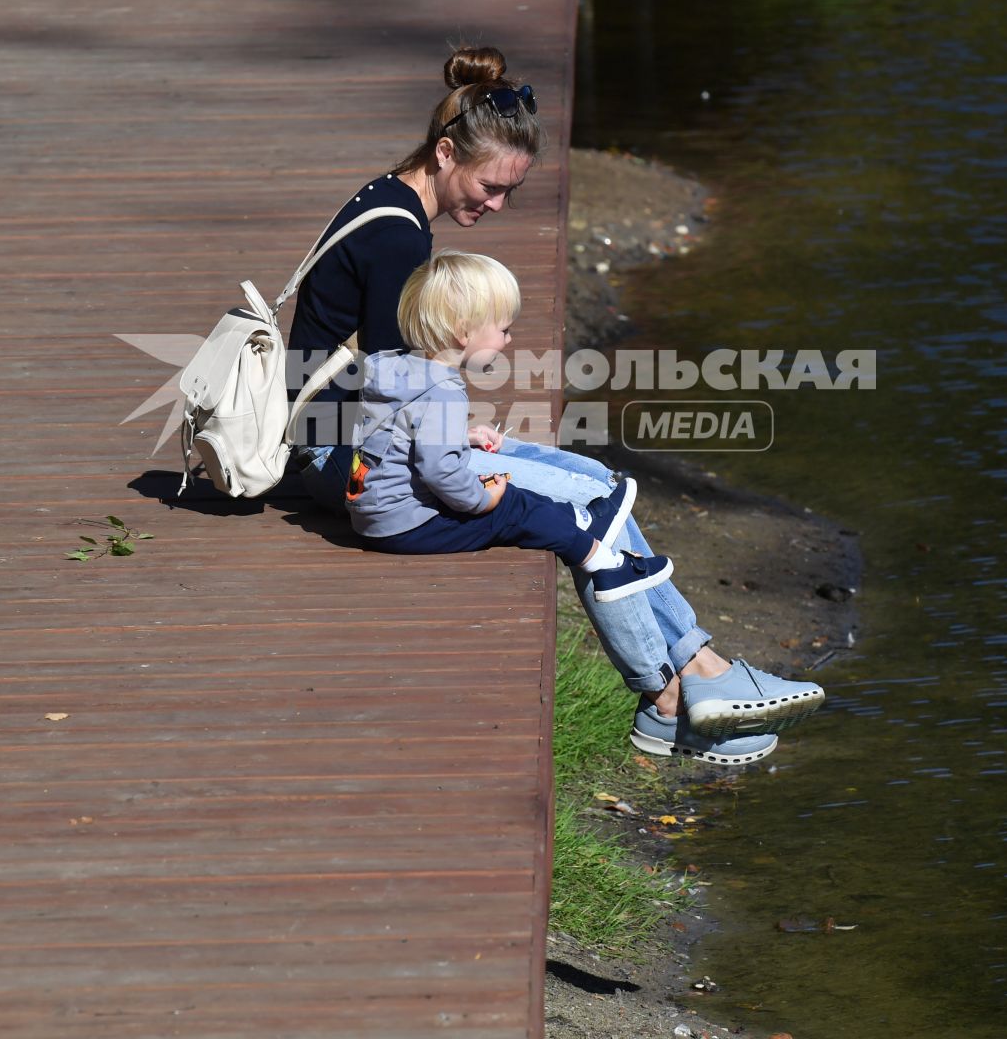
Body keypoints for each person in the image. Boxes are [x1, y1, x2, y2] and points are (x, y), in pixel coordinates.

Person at [287, 43, 824, 765]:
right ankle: (680, 690)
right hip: (338, 454)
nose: (497, 204)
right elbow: (401, 380)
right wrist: (461, 444)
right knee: (589, 507)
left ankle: (697, 674)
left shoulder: (390, 201)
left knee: (599, 485)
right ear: (446, 153)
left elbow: (394, 380)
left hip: (344, 432)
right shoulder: (396, 240)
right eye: (490, 186)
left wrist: (457, 428)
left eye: (511, 192)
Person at [344, 250, 677, 607]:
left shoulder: (396, 370)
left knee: (510, 495)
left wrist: (463, 437)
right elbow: (440, 471)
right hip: (407, 527)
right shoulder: (443, 392)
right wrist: (481, 500)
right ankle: (606, 565)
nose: (509, 340)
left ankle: (580, 520)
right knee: (510, 506)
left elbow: (399, 434)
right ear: (463, 333)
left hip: (374, 514)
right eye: (504, 330)